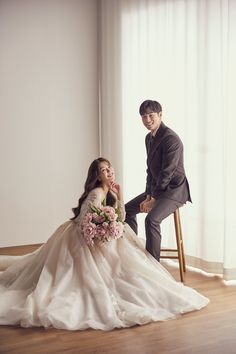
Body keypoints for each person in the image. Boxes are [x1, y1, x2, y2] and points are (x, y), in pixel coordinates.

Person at [0, 158, 208, 331]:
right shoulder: (97, 193)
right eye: (103, 170)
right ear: (97, 176)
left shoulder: (110, 191)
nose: (109, 172)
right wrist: (104, 232)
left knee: (130, 264)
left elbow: (121, 217)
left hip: (104, 234)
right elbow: (84, 222)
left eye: (110, 168)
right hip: (85, 239)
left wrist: (120, 198)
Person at [125, 100, 192, 262]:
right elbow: (150, 171)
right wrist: (149, 195)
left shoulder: (171, 139)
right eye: (143, 117)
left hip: (174, 190)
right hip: (157, 188)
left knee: (152, 219)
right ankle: (133, 254)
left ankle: (153, 266)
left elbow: (166, 173)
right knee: (126, 209)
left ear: (160, 115)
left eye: (151, 115)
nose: (147, 120)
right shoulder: (148, 138)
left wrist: (153, 199)